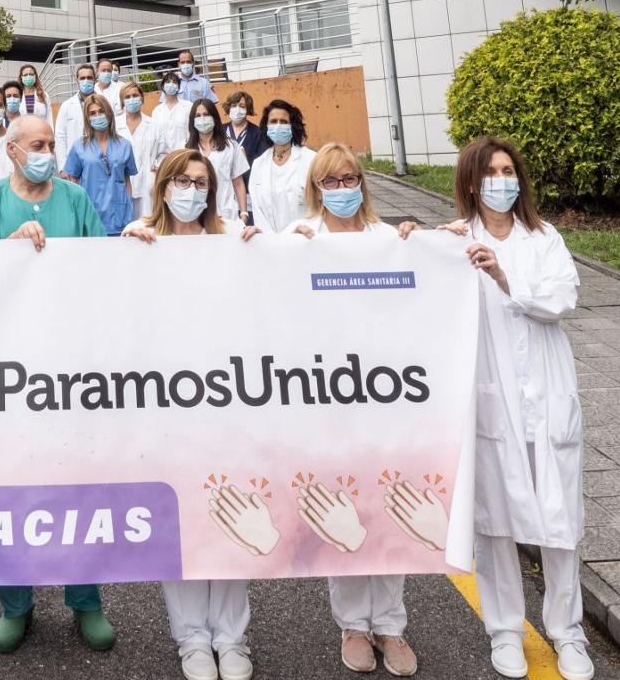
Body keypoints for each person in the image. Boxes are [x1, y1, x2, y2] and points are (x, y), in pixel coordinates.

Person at [0, 112, 113, 654]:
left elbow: (106, 266)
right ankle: (15, 605)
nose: (47, 150)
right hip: (9, 374)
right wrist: (10, 245)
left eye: (52, 143)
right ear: (12, 151)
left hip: (71, 369)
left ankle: (86, 601)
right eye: (37, 144)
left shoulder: (74, 200)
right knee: (13, 487)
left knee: (78, 484)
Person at [440, 138, 591, 680]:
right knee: (494, 520)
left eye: (510, 171)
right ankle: (504, 630)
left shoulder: (545, 239)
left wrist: (505, 277)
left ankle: (568, 633)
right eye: (491, 172)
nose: (503, 181)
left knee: (560, 519)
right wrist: (416, 242)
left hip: (547, 396)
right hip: (490, 397)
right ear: (472, 183)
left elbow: (561, 300)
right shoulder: (455, 243)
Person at [122, 149, 256, 678]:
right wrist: (123, 256)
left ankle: (232, 638)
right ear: (163, 185)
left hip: (226, 400)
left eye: (201, 182)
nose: (191, 190)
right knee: (179, 522)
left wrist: (262, 252)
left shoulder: (231, 237)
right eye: (181, 180)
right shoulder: (137, 235)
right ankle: (193, 639)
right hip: (165, 404)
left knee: (233, 516)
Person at [294, 144, 418, 677]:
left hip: (387, 395)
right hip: (328, 396)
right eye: (330, 181)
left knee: (390, 509)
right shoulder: (299, 242)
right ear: (315, 188)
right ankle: (352, 624)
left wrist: (429, 243)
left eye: (350, 179)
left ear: (363, 183)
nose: (342, 189)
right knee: (343, 512)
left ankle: (391, 625)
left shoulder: (390, 241)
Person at [63, 92, 137, 235]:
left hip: (119, 216)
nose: (98, 116)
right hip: (91, 215)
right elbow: (73, 182)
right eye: (93, 113)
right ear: (87, 118)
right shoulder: (79, 147)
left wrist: (129, 211)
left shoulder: (124, 145)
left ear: (109, 113)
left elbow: (127, 180)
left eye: (101, 111)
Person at [246, 100, 314, 234]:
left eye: (283, 122)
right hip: (269, 244)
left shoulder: (311, 160)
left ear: (293, 126)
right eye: (273, 121)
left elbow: (318, 207)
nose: (278, 126)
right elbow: (258, 209)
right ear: (266, 127)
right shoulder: (259, 164)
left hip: (303, 238)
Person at [187, 100, 249, 226]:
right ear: (192, 121)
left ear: (214, 118)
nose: (202, 118)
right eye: (198, 116)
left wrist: (244, 213)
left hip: (225, 213)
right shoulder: (184, 149)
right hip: (194, 215)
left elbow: (238, 182)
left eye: (206, 114)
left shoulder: (231, 146)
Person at [116, 80, 160, 216]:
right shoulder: (115, 126)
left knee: (146, 226)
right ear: (122, 102)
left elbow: (163, 152)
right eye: (127, 97)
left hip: (147, 185)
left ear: (142, 98)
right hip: (122, 184)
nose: (132, 99)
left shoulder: (153, 125)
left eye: (135, 95)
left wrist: (156, 168)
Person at [54, 63, 97, 172]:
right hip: (73, 161)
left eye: (89, 78)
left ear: (95, 79)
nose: (86, 81)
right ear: (76, 80)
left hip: (98, 158)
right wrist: (62, 167)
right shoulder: (67, 105)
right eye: (82, 78)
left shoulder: (104, 103)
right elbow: (60, 136)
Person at [152, 71, 189, 154]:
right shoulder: (157, 111)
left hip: (184, 155)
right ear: (163, 86)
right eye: (168, 82)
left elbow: (191, 133)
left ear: (178, 87)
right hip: (163, 157)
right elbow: (155, 137)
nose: (171, 84)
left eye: (174, 82)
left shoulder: (188, 107)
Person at [227, 91, 263, 168]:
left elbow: (262, 161)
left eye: (242, 106)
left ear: (248, 109)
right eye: (234, 105)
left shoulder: (257, 133)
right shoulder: (220, 130)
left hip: (248, 178)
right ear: (229, 108)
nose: (237, 109)